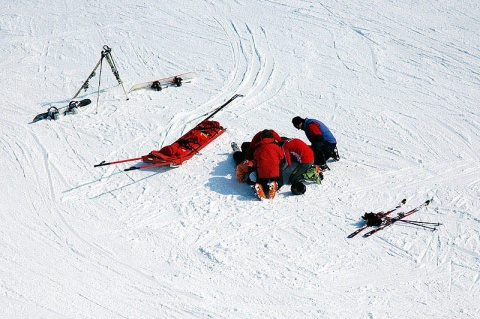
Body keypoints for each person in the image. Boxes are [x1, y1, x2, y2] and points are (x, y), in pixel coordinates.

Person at [252, 129, 285, 200]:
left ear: (261, 138)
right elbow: (281, 157)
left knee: (262, 182)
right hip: (275, 170)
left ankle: (260, 186)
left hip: (262, 171)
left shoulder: (258, 147)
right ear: (272, 137)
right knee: (280, 182)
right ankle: (275, 185)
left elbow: (255, 159)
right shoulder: (276, 146)